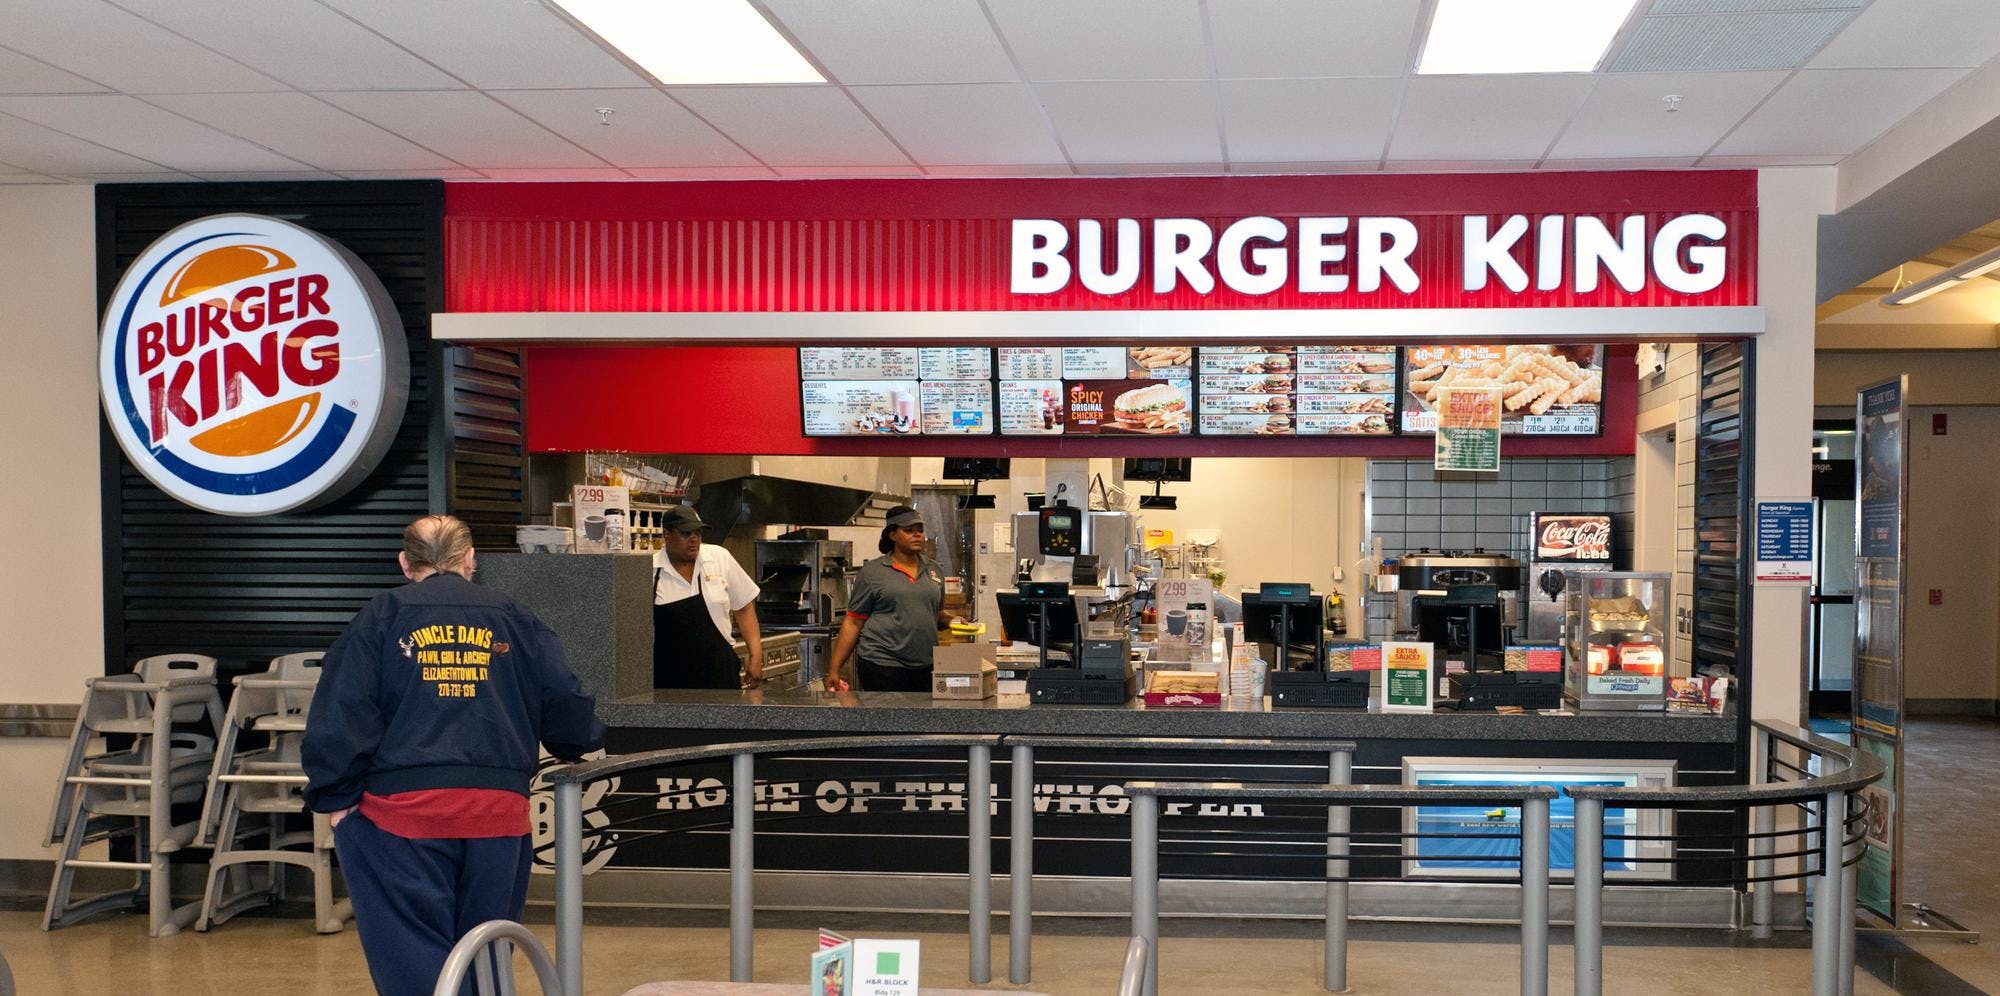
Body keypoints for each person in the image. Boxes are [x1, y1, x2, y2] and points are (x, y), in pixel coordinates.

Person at [302, 514, 605, 996]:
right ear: (471, 560)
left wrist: (335, 796)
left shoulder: (380, 617)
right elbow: (562, 696)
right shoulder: (514, 616)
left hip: (399, 817)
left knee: (412, 954)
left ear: (405, 562)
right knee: (484, 951)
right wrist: (575, 743)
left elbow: (341, 710)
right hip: (497, 812)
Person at [824, 506, 961, 692]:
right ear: (892, 534)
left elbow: (934, 614)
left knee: (922, 719)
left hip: (925, 664)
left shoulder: (934, 570)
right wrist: (834, 669)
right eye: (908, 530)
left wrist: (954, 620)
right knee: (888, 720)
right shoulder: (873, 572)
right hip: (882, 662)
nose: (917, 535)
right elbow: (854, 621)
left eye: (920, 530)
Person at [652, 505, 765, 689]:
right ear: (666, 534)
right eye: (686, 533)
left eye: (697, 532)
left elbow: (744, 607)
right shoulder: (651, 571)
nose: (693, 539)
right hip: (670, 679)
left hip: (719, 672)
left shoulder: (719, 558)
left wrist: (756, 657)